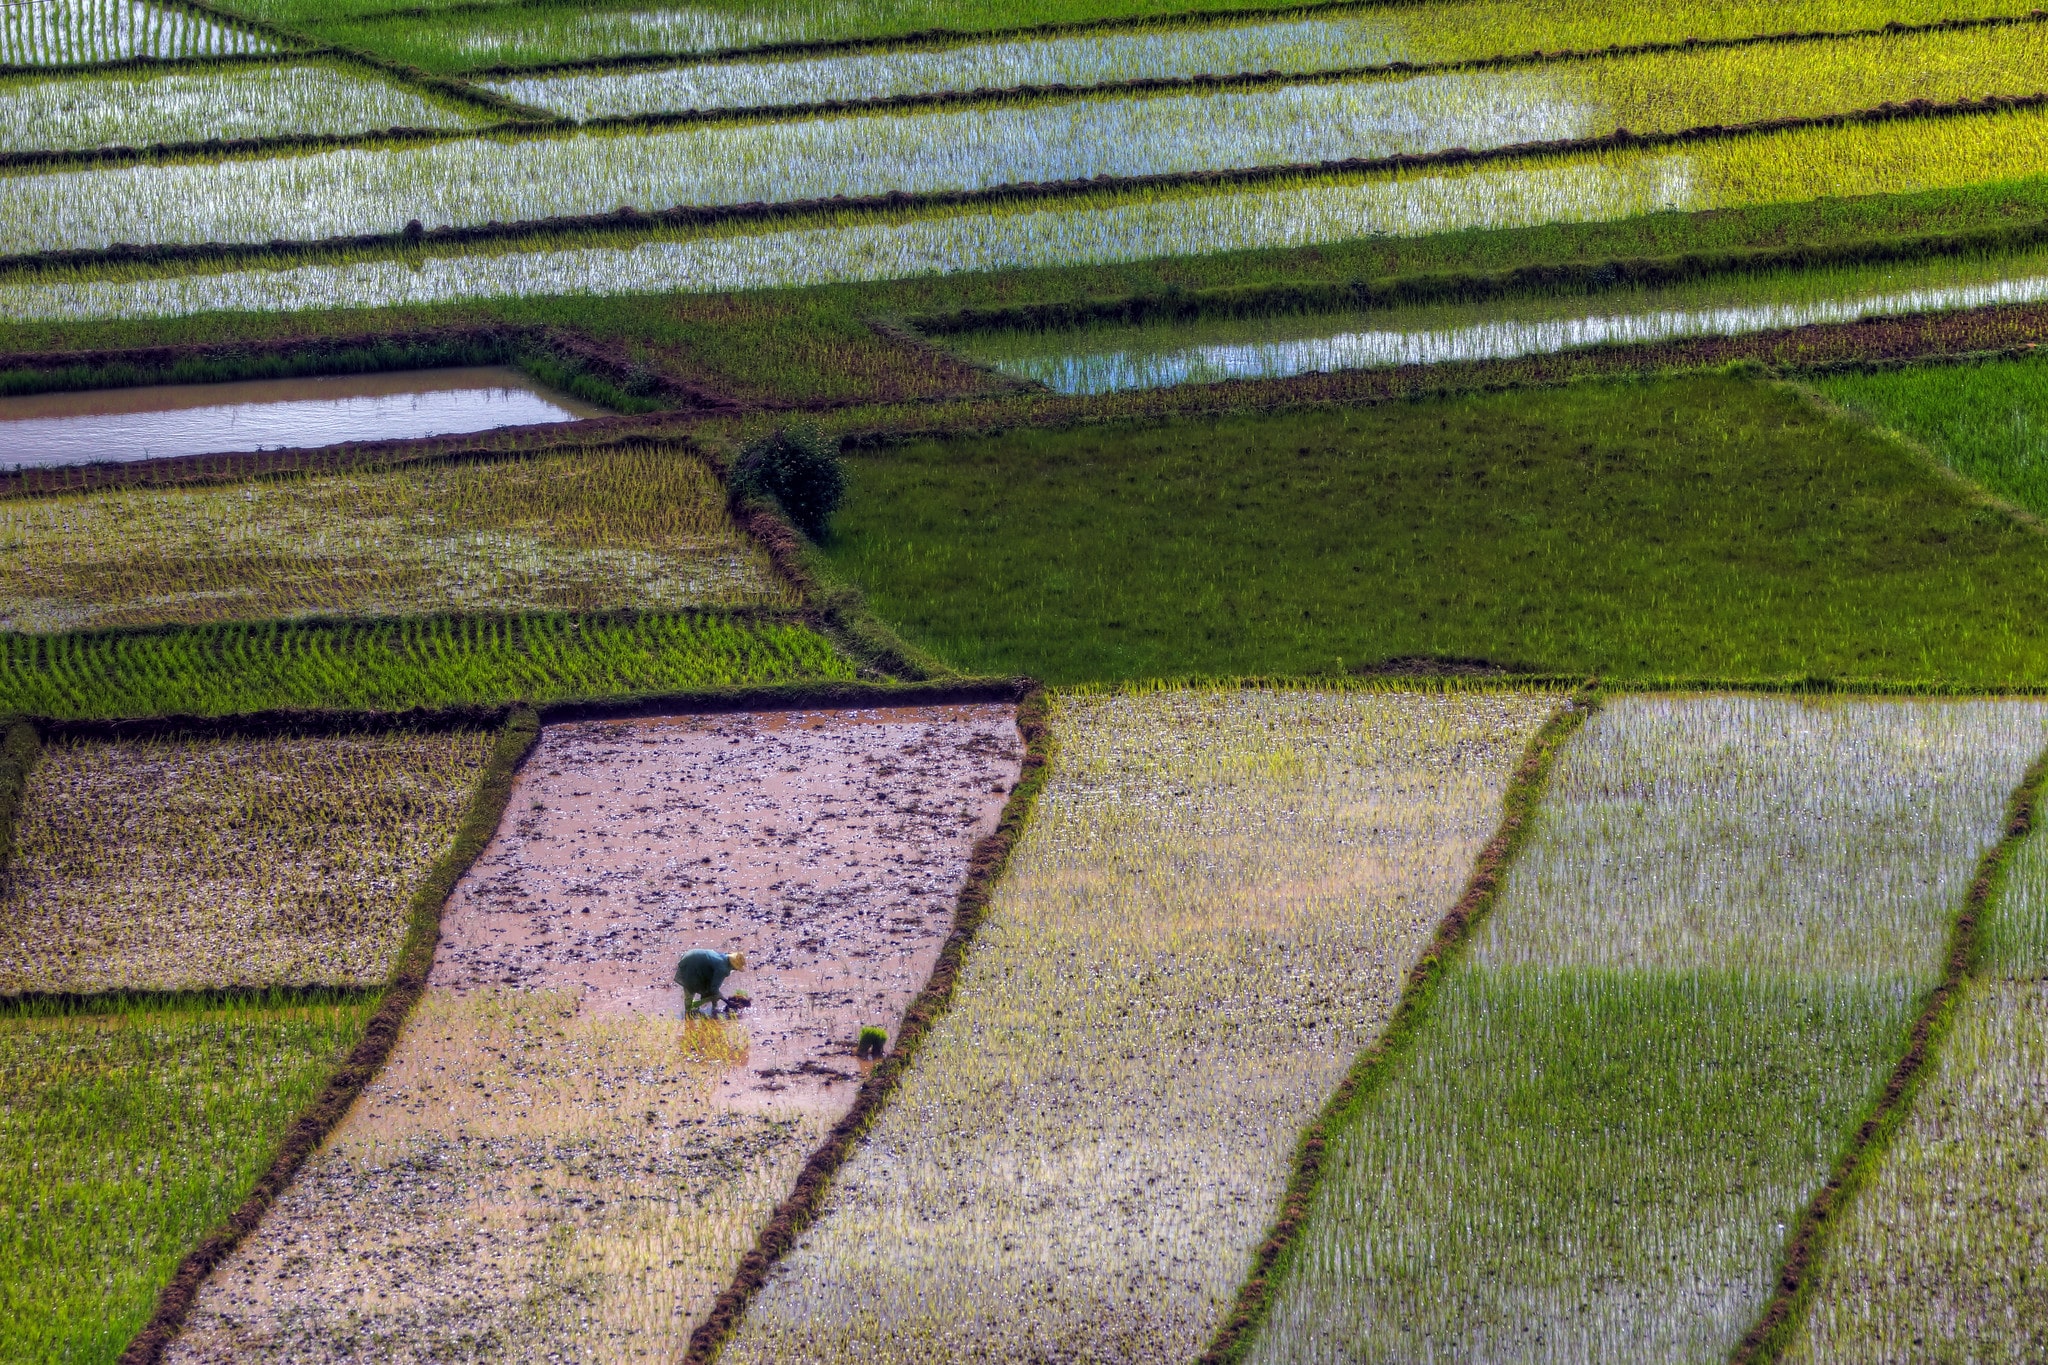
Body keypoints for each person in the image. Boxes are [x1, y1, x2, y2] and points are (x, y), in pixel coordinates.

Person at [675, 948, 746, 1016]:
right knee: (690, 990)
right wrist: (725, 1000)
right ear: (733, 966)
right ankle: (688, 1012)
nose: (736, 970)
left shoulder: (725, 957)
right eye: (736, 968)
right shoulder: (722, 968)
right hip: (691, 964)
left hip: (691, 954)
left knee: (710, 991)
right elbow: (714, 989)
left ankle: (698, 1006)